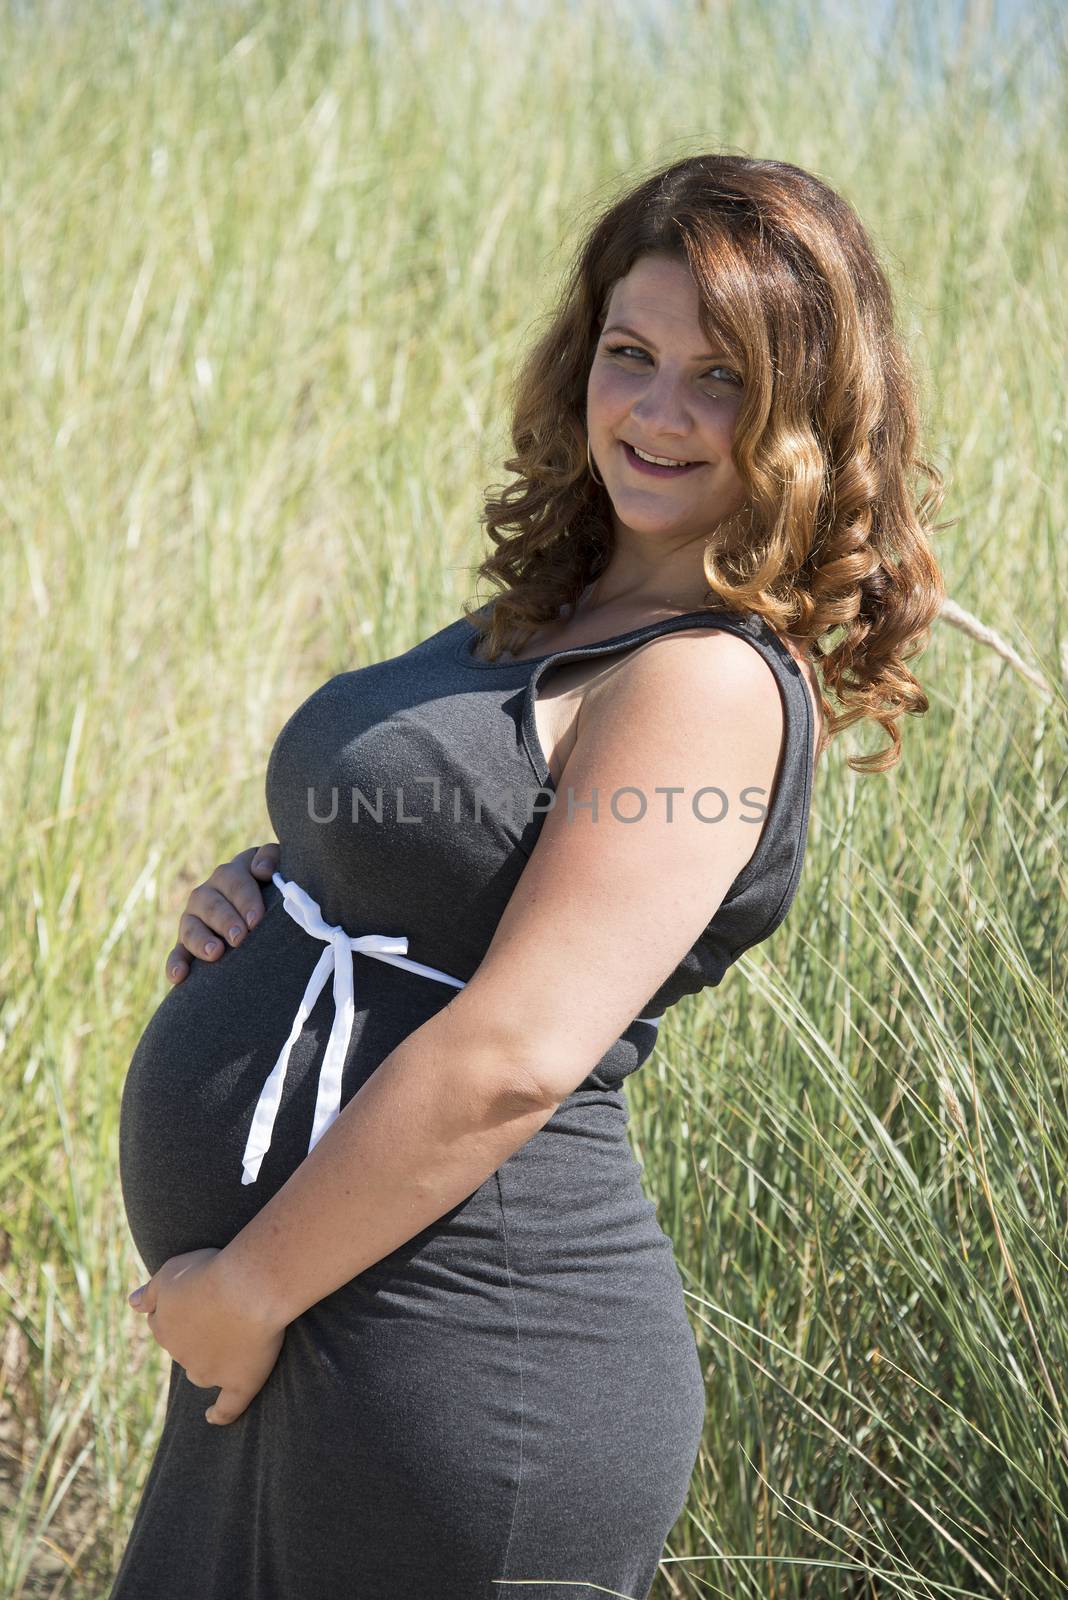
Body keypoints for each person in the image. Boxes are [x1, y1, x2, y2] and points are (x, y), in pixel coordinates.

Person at [111, 152, 945, 1600]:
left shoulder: (706, 684)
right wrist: (279, 897)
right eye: (632, 355)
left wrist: (246, 1293)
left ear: (808, 418)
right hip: (301, 1331)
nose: (659, 411)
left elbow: (518, 1052)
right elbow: (449, 859)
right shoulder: (558, 612)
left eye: (723, 378)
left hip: (457, 1358)